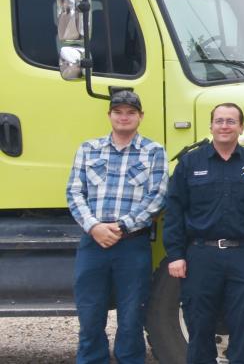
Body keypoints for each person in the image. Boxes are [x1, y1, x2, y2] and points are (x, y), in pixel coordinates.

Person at [67, 90, 167, 364]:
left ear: (140, 116)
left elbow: (157, 197)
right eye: (118, 112)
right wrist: (94, 227)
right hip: (93, 243)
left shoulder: (154, 152)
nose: (124, 117)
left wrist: (121, 226)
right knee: (90, 316)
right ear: (109, 115)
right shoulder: (88, 149)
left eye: (131, 112)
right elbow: (75, 193)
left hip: (132, 245)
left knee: (132, 318)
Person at [163, 103, 244, 364]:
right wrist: (175, 254)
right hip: (201, 253)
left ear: (241, 127)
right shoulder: (190, 163)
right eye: (219, 121)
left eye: (231, 121)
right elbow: (174, 211)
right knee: (199, 323)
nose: (224, 126)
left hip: (242, 254)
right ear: (210, 126)